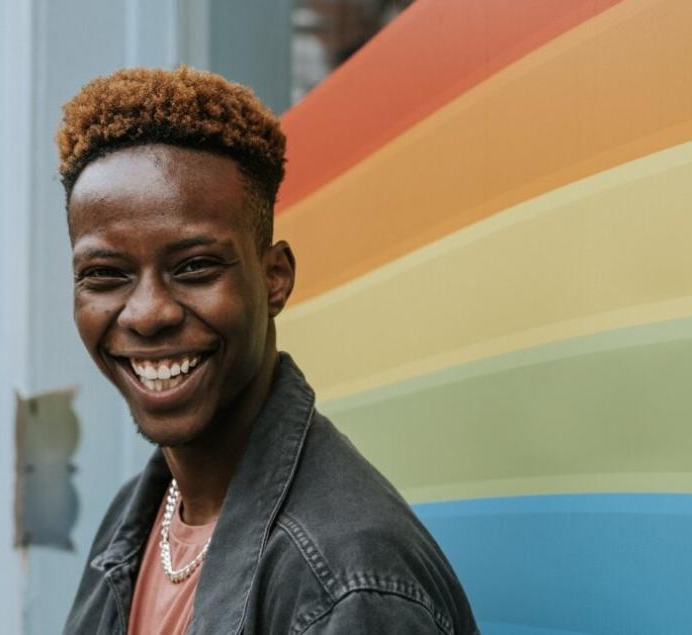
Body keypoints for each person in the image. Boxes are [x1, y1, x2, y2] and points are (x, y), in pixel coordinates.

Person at [59, 67, 479, 634]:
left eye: (195, 267)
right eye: (106, 274)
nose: (148, 312)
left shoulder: (350, 584)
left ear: (275, 277)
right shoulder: (135, 517)